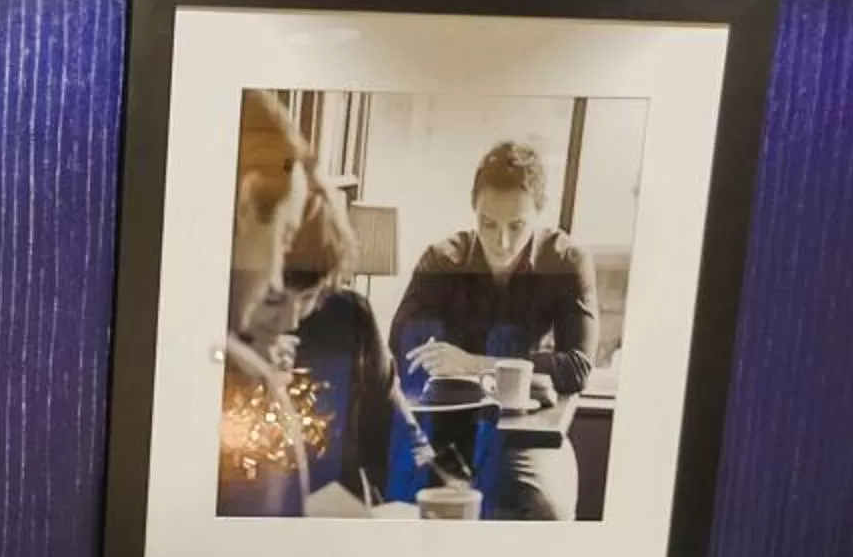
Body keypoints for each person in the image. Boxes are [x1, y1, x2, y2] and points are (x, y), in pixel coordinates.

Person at [387, 140, 598, 520]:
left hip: (523, 432)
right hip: (443, 427)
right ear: (474, 210)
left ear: (539, 214)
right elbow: (400, 348)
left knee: (541, 510)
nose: (501, 242)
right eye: (488, 223)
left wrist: (474, 363)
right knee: (396, 506)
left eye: (517, 226)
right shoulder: (442, 259)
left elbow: (578, 367)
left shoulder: (567, 261)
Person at [218, 92, 360, 516]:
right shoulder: (245, 377)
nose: (276, 282)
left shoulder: (352, 324)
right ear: (246, 204)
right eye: (283, 237)